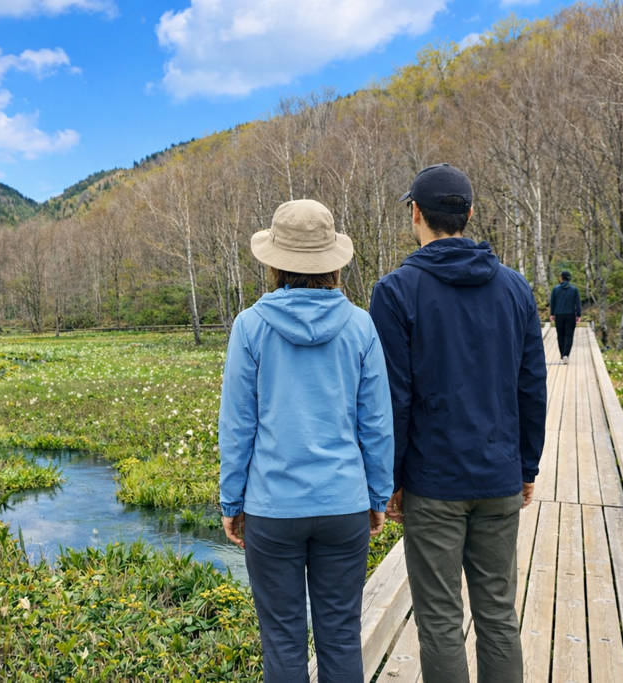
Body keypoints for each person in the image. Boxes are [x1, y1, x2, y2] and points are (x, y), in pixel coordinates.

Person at [368, 164, 547, 683]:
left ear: (416, 214)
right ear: (469, 213)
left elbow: (393, 400)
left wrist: (391, 481)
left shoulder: (395, 291)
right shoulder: (515, 289)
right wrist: (526, 465)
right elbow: (531, 386)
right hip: (498, 477)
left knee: (440, 620)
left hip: (433, 483)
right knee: (498, 615)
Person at [219, 199, 395, 683]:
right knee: (340, 635)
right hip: (343, 506)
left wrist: (232, 501)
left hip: (273, 509)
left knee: (282, 640)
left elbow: (238, 426)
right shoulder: (360, 325)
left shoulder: (250, 326)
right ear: (332, 261)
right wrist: (377, 495)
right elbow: (376, 423)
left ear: (275, 263)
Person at [549, 270, 582, 363]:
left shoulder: (555, 289)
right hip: (570, 315)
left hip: (559, 315)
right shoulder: (574, 290)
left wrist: (552, 314)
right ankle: (566, 354)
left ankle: (562, 354)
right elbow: (577, 303)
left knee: (560, 335)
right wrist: (578, 315)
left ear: (561, 278)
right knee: (569, 335)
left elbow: (553, 303)